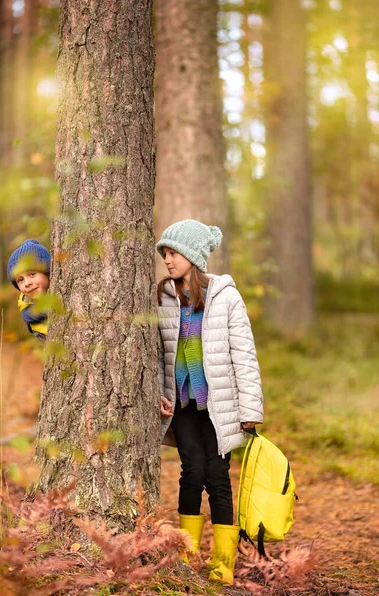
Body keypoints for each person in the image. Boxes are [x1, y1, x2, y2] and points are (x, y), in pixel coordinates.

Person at [156, 219, 264, 584]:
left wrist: (250, 410)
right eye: (166, 254)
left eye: (174, 253)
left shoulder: (226, 296)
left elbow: (244, 356)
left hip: (220, 406)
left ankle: (222, 563)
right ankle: (186, 558)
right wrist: (158, 392)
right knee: (191, 473)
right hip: (182, 405)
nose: (168, 260)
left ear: (194, 255)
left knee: (217, 478)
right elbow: (156, 355)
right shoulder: (164, 298)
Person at [7, 239, 51, 342]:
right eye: (20, 280)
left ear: (48, 273)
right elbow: (28, 315)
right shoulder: (26, 302)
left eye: (32, 274)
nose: (27, 283)